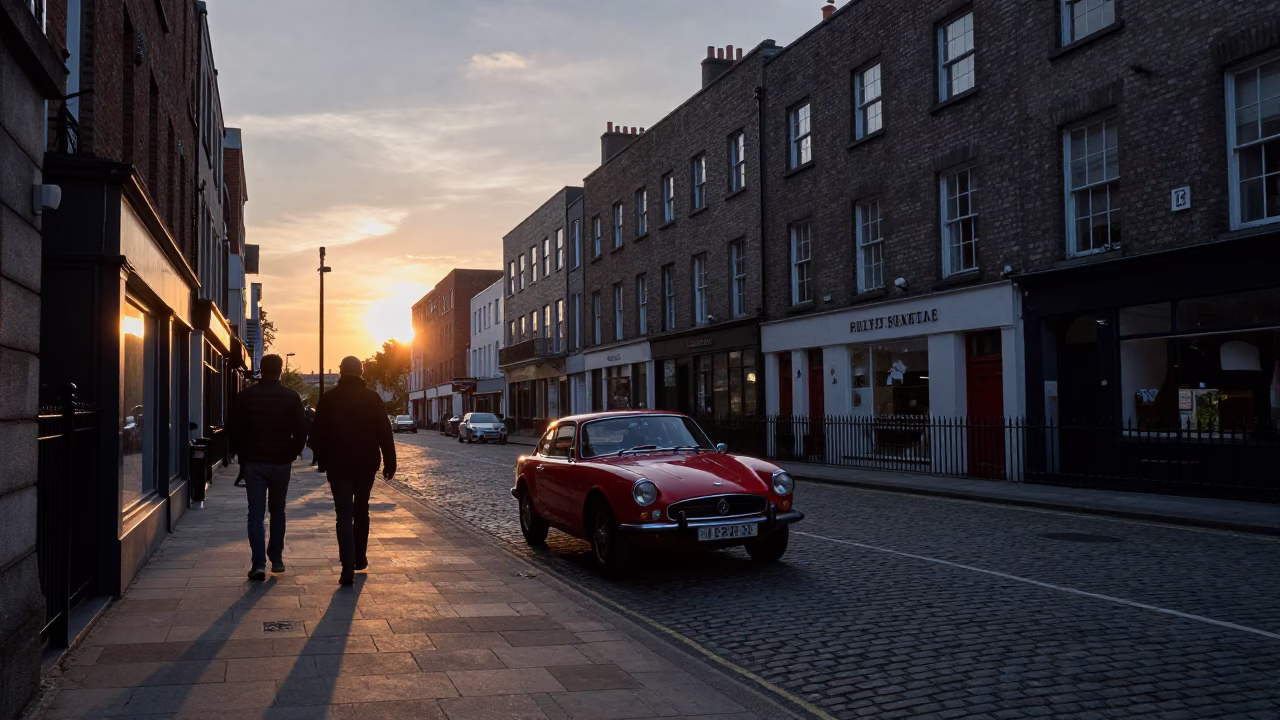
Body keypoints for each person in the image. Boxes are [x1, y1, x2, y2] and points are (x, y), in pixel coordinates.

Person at [307, 356, 396, 586]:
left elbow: (315, 437)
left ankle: (347, 565)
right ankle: (360, 557)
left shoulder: (329, 399)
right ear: (361, 371)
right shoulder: (372, 398)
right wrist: (389, 462)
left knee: (343, 512)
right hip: (366, 463)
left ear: (341, 371)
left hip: (338, 465)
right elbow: (385, 432)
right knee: (361, 509)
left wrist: (324, 460)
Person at [227, 354, 308, 582]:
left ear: (261, 370)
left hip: (254, 462)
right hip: (281, 463)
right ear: (280, 370)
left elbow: (235, 430)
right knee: (278, 511)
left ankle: (258, 564)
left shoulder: (246, 397)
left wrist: (243, 455)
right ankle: (277, 558)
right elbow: (301, 432)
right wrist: (291, 453)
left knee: (255, 512)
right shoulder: (291, 397)